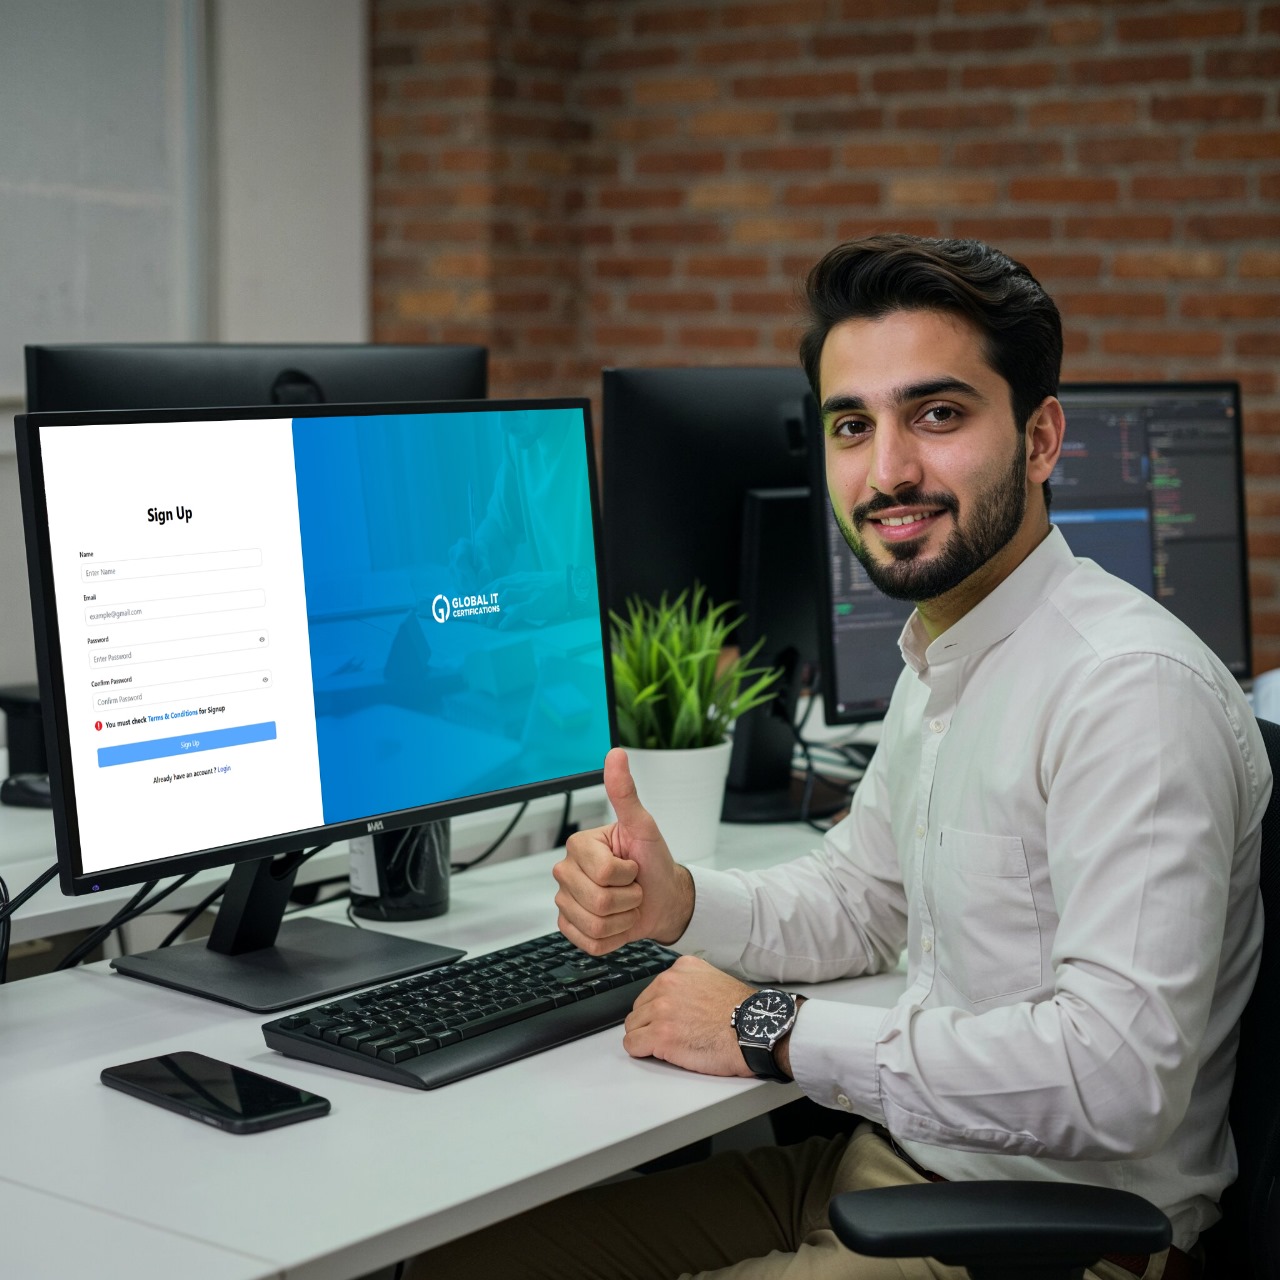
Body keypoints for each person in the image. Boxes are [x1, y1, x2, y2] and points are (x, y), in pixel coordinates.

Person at [408, 235, 1267, 1280]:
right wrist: (678, 901)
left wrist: (767, 1027)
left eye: (937, 415)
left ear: (1040, 438)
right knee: (453, 1264)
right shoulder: (949, 650)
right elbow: (862, 902)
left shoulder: (1127, 692)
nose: (888, 470)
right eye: (852, 426)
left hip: (1048, 1239)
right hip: (892, 1167)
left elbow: (1116, 1078)